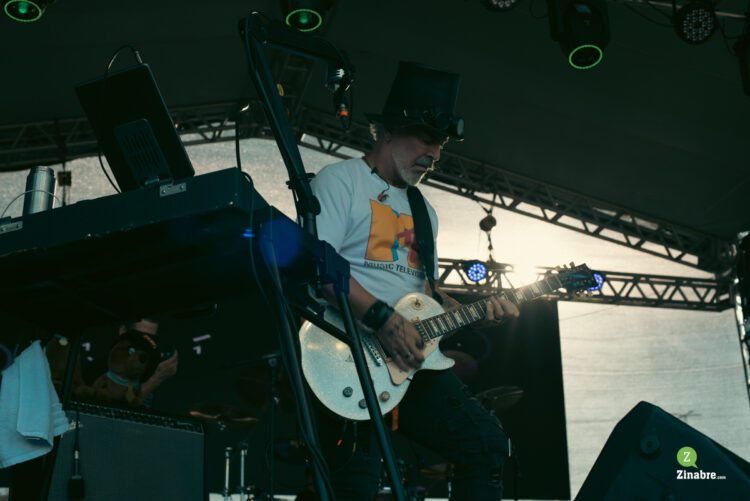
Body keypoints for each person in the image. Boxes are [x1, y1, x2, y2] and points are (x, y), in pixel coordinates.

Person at [309, 61, 520, 500]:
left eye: (440, 144)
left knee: (486, 445)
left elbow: (426, 295)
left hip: (411, 358)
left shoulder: (425, 211)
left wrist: (476, 312)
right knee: (356, 484)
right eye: (426, 138)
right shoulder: (340, 181)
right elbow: (319, 265)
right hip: (348, 350)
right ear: (388, 131)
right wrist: (383, 319)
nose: (435, 153)